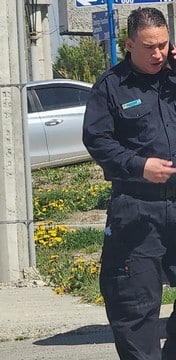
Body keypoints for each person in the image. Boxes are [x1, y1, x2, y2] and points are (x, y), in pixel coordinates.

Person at [82, 7, 176, 359]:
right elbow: (98, 141)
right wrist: (138, 167)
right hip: (137, 209)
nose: (157, 54)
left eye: (164, 45)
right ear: (129, 44)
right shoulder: (111, 87)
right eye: (149, 47)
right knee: (134, 307)